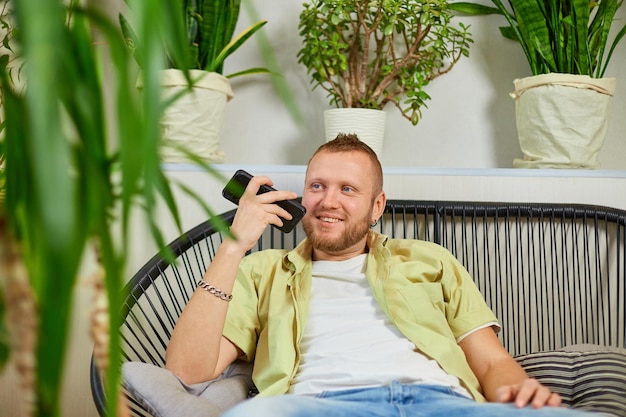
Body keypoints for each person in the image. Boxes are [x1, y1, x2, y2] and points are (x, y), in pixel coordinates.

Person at [165, 134, 592, 417]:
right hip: (318, 407)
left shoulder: (429, 259)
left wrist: (519, 393)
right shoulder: (263, 270)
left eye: (347, 189)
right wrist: (234, 244)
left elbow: (494, 361)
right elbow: (187, 370)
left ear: (377, 206)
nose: (328, 201)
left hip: (441, 404)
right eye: (317, 186)